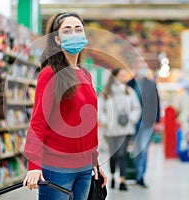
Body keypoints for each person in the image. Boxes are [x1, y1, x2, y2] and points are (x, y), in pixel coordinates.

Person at [23, 12, 107, 200]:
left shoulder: (85, 74)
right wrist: (34, 166)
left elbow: (89, 123)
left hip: (84, 169)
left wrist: (95, 163)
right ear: (58, 40)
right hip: (57, 169)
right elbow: (38, 122)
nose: (74, 34)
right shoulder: (49, 74)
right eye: (67, 31)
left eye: (79, 30)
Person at [98, 68, 141, 191]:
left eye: (125, 75)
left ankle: (122, 180)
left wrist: (131, 119)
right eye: (121, 75)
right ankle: (112, 177)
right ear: (115, 76)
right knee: (113, 154)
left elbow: (137, 108)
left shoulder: (130, 92)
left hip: (125, 129)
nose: (124, 77)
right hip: (110, 130)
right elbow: (100, 109)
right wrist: (106, 121)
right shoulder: (106, 93)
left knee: (122, 154)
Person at [127, 67, 160, 188]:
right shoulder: (130, 84)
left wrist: (157, 120)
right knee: (135, 150)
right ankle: (135, 174)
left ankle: (140, 176)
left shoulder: (151, 84)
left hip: (147, 122)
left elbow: (156, 101)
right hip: (133, 123)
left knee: (144, 150)